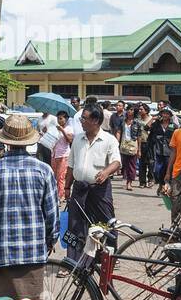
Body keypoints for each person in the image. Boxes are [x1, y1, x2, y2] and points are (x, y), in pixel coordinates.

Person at [0, 113, 60, 300]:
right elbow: (52, 215)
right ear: (29, 141)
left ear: (5, 141)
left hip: (2, 251)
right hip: (34, 252)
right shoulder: (44, 170)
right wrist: (50, 241)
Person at [64, 104, 121, 261]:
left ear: (95, 120)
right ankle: (72, 260)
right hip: (79, 189)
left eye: (84, 118)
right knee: (75, 225)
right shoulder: (77, 139)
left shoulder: (109, 140)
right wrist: (67, 187)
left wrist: (106, 172)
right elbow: (71, 165)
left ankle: (107, 258)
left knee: (105, 223)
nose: (81, 121)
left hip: (99, 190)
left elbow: (116, 161)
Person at [148, 106, 176, 189]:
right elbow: (146, 128)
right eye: (163, 113)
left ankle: (164, 186)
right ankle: (160, 183)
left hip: (169, 150)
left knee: (167, 168)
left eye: (167, 114)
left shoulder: (173, 126)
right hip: (158, 149)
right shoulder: (156, 124)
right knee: (157, 170)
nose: (165, 115)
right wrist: (153, 119)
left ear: (170, 115)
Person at [51, 110, 74, 202]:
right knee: (55, 176)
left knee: (61, 176)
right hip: (54, 154)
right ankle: (57, 193)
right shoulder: (55, 128)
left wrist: (63, 131)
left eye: (61, 118)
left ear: (66, 119)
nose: (59, 120)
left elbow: (70, 140)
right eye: (58, 118)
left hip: (63, 155)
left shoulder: (69, 128)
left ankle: (61, 196)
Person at [119, 103, 142, 191]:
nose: (129, 111)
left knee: (132, 164)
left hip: (133, 143)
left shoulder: (137, 122)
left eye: (132, 110)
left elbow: (139, 136)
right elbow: (119, 131)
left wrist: (139, 149)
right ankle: (126, 178)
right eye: (128, 109)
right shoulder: (122, 120)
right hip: (124, 143)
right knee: (124, 163)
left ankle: (129, 182)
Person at [136, 103, 153, 187]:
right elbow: (137, 134)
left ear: (146, 111)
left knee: (151, 162)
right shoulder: (138, 120)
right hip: (141, 143)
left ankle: (150, 180)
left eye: (141, 109)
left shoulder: (151, 119)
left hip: (150, 143)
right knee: (142, 163)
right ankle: (142, 182)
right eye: (139, 109)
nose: (140, 111)